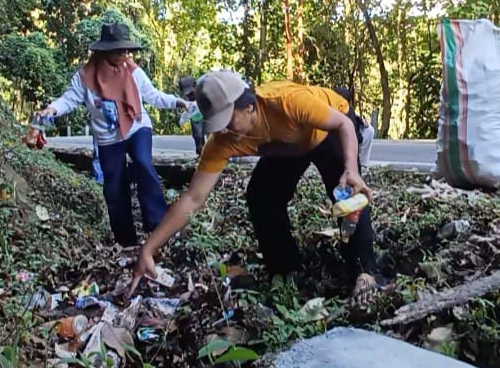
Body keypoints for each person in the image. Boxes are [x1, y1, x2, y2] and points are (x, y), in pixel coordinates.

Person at [132, 71, 381, 302]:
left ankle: (364, 270)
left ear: (249, 106)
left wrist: (351, 169)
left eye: (228, 121)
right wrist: (149, 248)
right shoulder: (222, 141)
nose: (224, 131)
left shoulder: (287, 101)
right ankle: (286, 270)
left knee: (348, 193)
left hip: (329, 129)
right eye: (217, 125)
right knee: (262, 196)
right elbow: (193, 198)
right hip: (287, 145)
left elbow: (344, 125)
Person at [39, 23, 189, 246]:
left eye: (126, 50)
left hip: (137, 126)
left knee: (143, 163)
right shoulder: (85, 77)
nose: (123, 55)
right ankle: (126, 240)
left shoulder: (132, 71)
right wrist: (51, 109)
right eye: (118, 50)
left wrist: (177, 102)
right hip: (108, 138)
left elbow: (152, 95)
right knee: (114, 185)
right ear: (103, 51)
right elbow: (69, 99)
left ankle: (158, 225)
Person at [332, 86, 375, 172]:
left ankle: (363, 164)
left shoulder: (348, 111)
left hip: (351, 146)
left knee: (369, 130)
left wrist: (361, 122)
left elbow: (353, 120)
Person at [178, 76, 206, 155]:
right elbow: (189, 110)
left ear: (195, 85)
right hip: (197, 113)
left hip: (209, 109)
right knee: (197, 128)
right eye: (187, 94)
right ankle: (200, 147)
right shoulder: (187, 96)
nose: (189, 94)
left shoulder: (205, 87)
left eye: (191, 92)